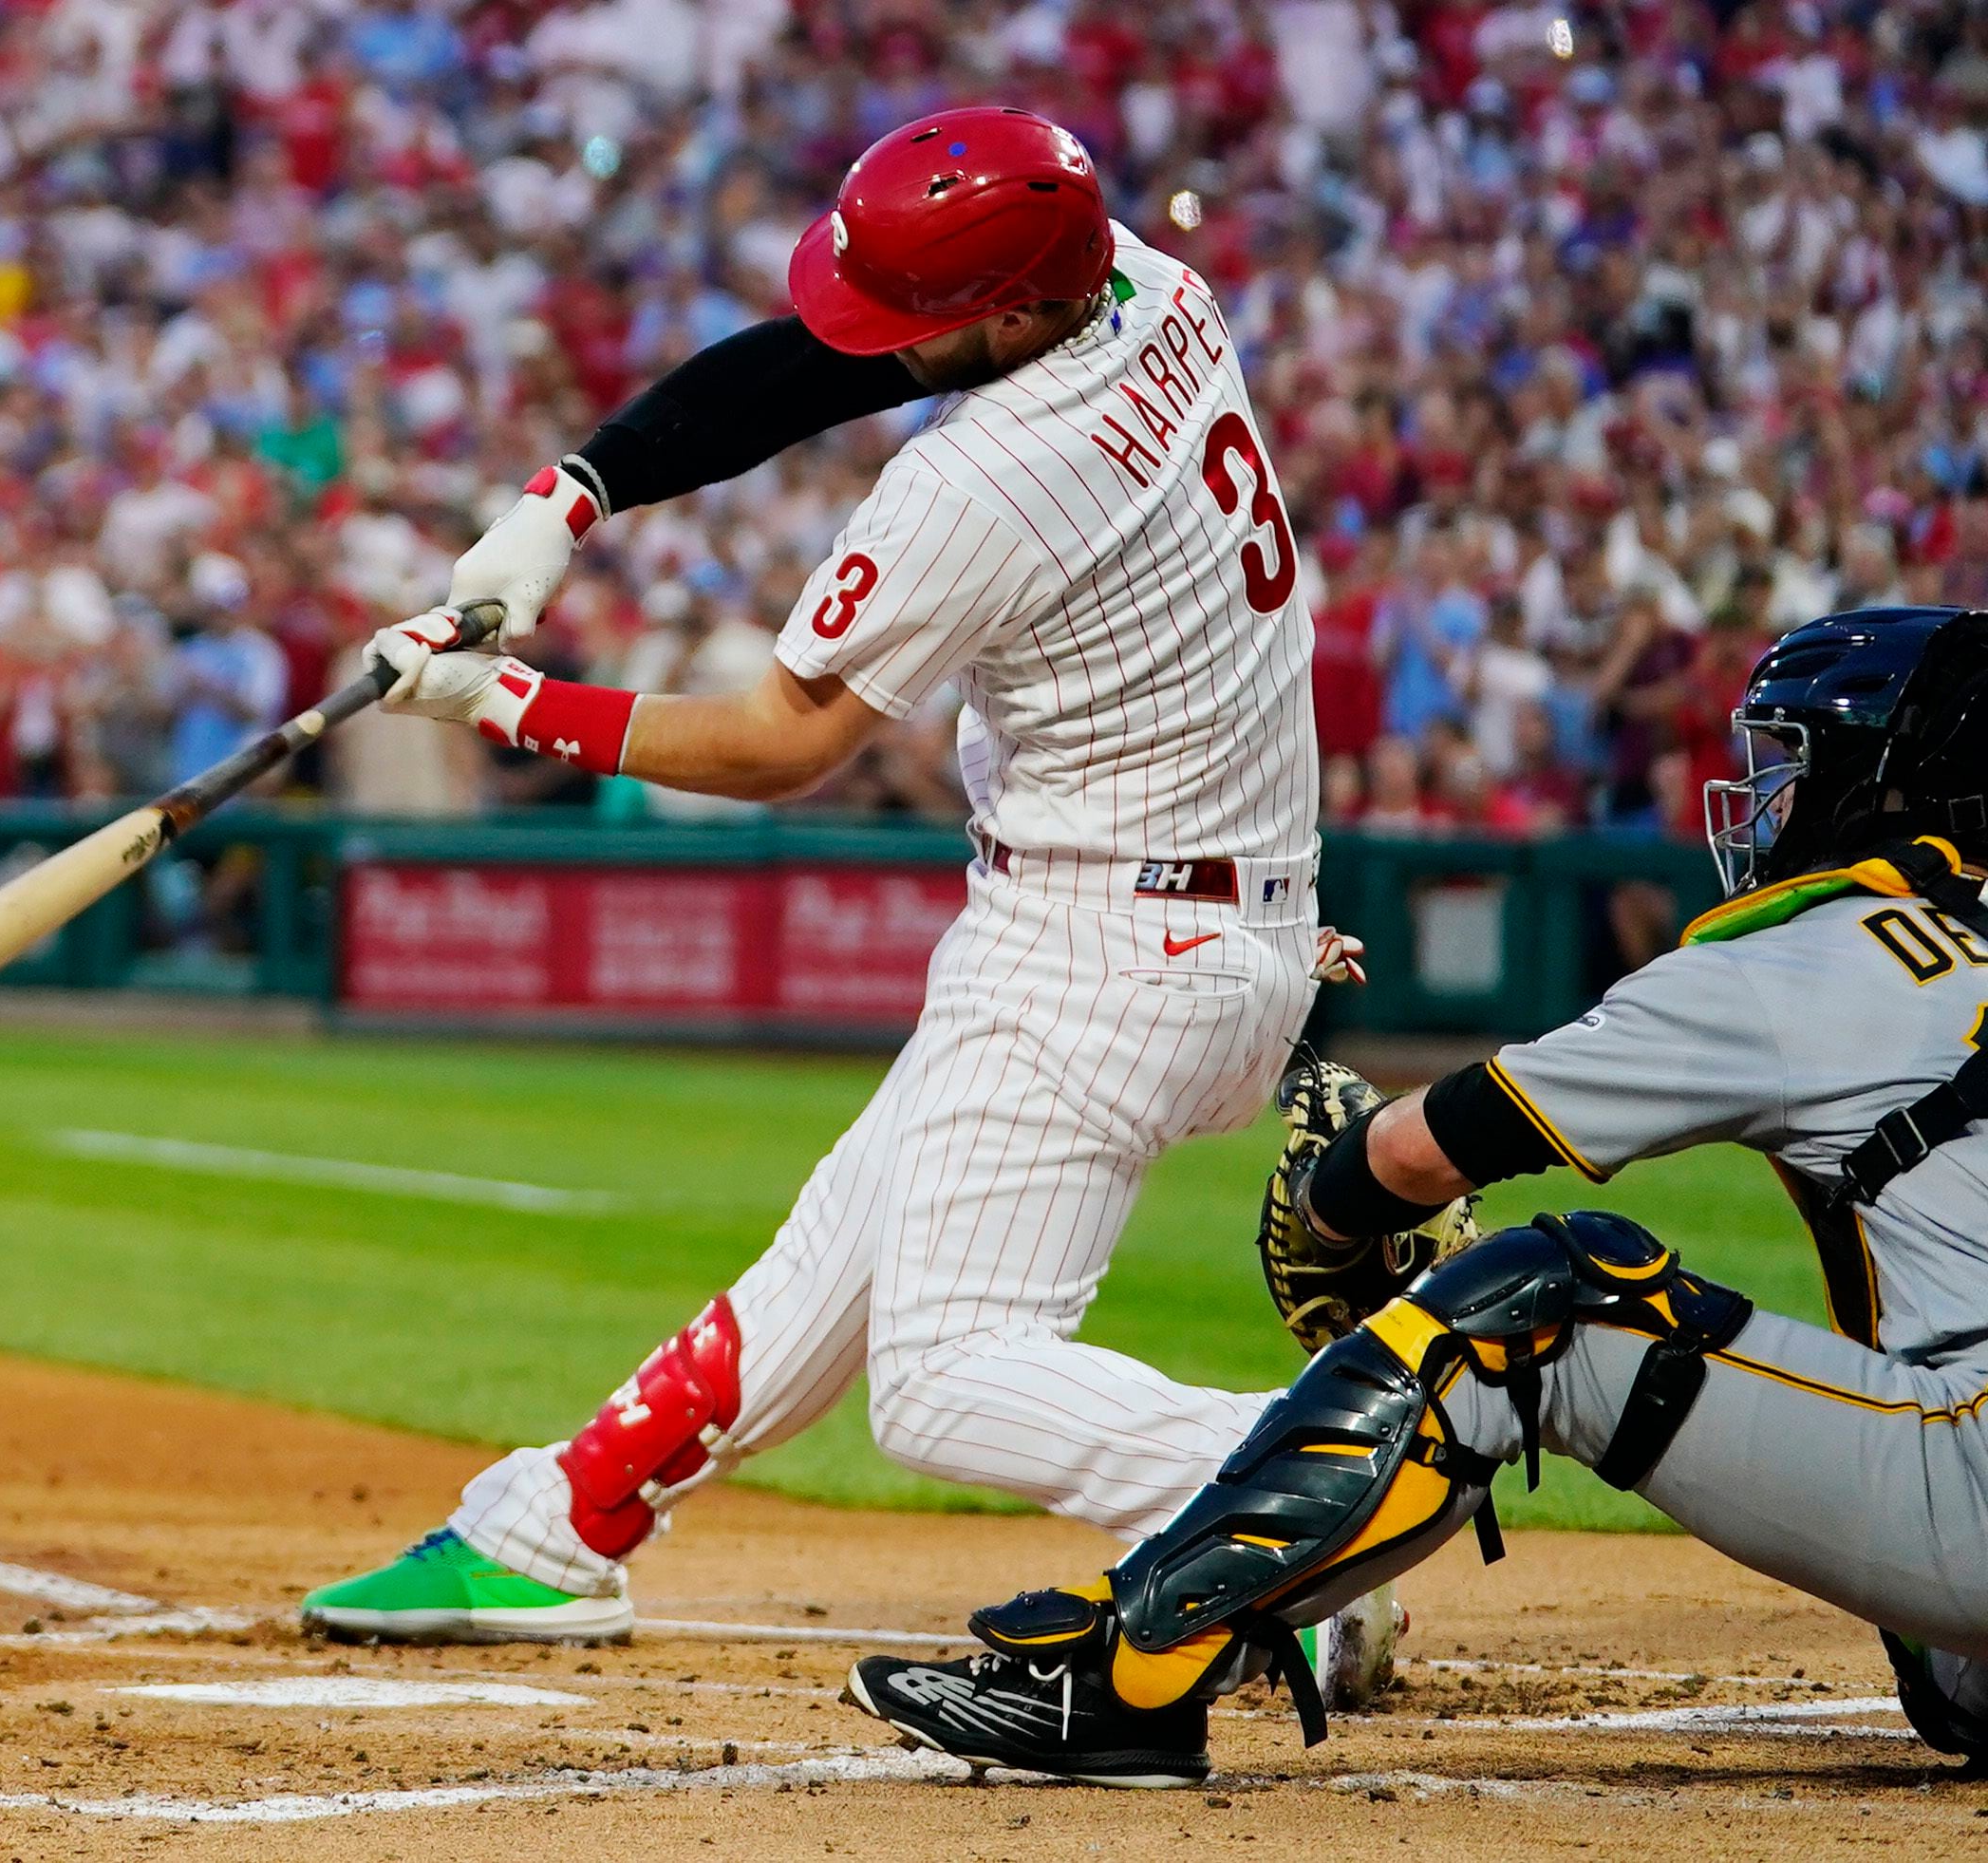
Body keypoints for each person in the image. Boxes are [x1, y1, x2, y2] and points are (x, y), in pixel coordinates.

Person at [304, 107, 1371, 1664]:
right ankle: (555, 1526)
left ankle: (1317, 1477)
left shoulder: (990, 477)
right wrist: (571, 495)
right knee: (833, 1263)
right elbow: (815, 361)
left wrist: (502, 703)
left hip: (1098, 948)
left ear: (1007, 311)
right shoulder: (1136, 285)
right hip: (1198, 920)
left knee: (939, 1377)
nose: (886, 340)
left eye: (926, 314)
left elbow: (774, 741)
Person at [845, 605, 1988, 1785]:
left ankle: (1128, 1672)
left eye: (1791, 762)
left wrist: (1329, 1216)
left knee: (1538, 1302)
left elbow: (1422, 1151)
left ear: (1877, 781)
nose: (1767, 800)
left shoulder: (1820, 953)